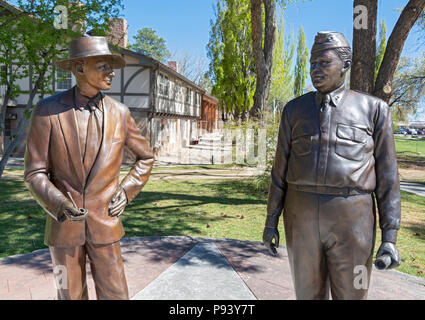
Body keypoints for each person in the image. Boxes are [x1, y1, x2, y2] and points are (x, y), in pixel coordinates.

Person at [262, 31, 401, 300]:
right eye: (312, 63)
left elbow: (388, 177)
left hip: (353, 219)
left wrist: (390, 236)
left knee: (352, 293)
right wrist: (271, 222)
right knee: (306, 294)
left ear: (345, 66)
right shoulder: (293, 110)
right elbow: (279, 172)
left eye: (324, 63)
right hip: (300, 215)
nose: (315, 69)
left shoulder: (374, 109)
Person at [24, 36, 154, 300]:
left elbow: (146, 157)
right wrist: (59, 204)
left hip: (106, 223)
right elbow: (34, 173)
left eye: (111, 66)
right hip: (63, 228)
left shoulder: (120, 112)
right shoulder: (47, 111)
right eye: (104, 65)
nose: (112, 72)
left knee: (116, 294)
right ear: (80, 68)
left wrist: (126, 191)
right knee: (68, 295)